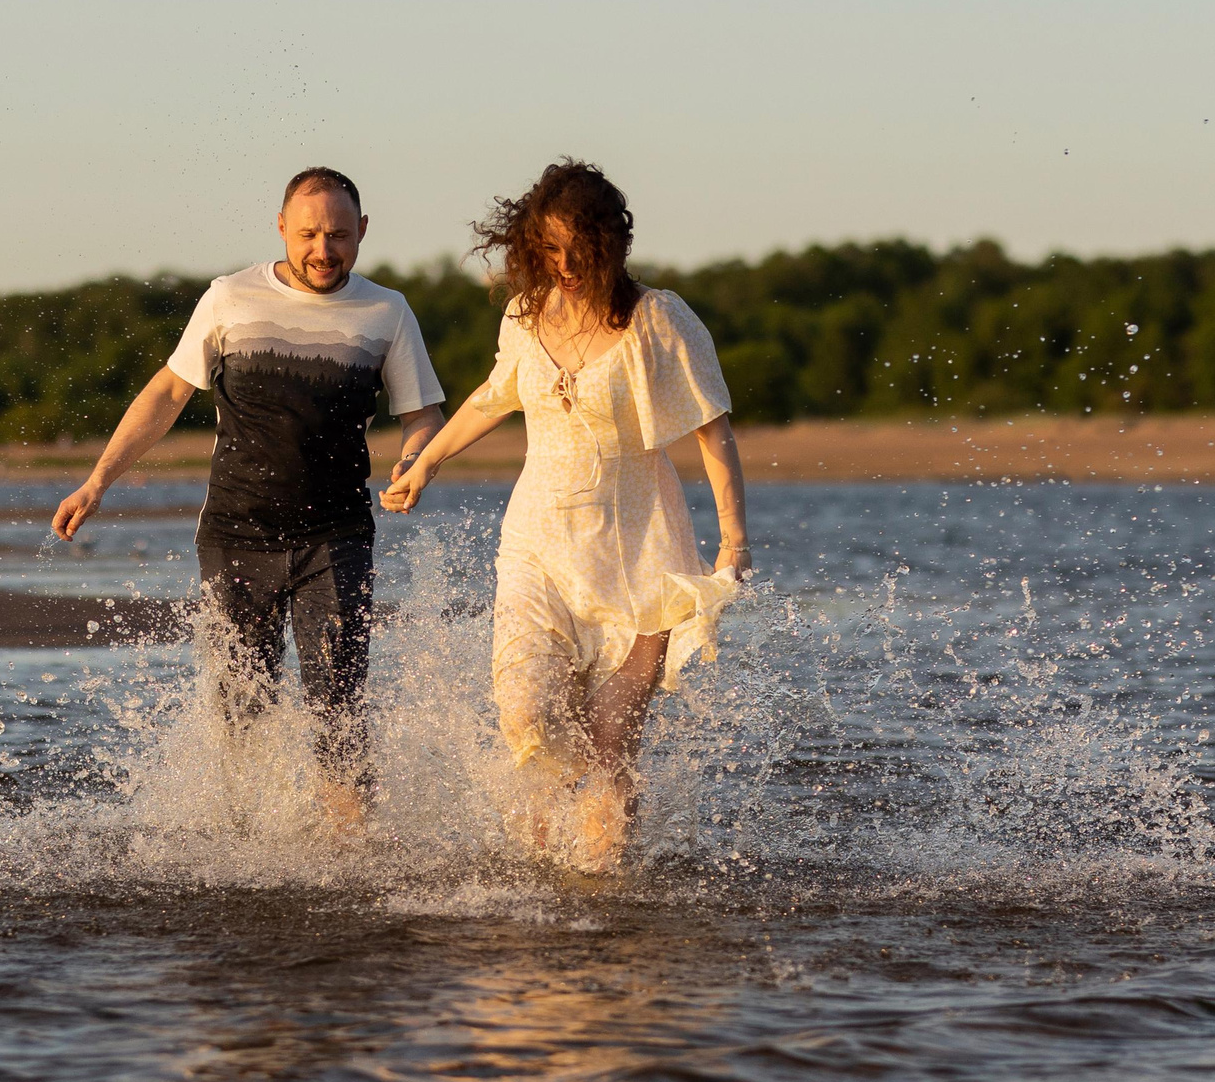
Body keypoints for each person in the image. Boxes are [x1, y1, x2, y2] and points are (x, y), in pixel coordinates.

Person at [380, 160, 751, 872]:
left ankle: (601, 893)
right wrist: (426, 462)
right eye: (549, 248)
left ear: (612, 242)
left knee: (610, 734)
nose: (566, 264)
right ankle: (543, 876)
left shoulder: (659, 319)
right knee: (526, 716)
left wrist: (733, 541)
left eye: (580, 247)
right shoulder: (525, 315)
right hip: (538, 548)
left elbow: (714, 430)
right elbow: (494, 395)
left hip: (641, 555)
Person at [54, 167, 446, 833]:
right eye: (310, 234)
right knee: (243, 711)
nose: (325, 250)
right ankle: (244, 848)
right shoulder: (228, 298)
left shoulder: (387, 312)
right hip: (236, 537)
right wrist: (98, 480)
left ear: (363, 232)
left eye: (340, 236)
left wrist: (415, 461)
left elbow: (424, 413)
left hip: (338, 539)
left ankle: (348, 859)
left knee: (339, 711)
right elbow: (166, 394)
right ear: (282, 229)